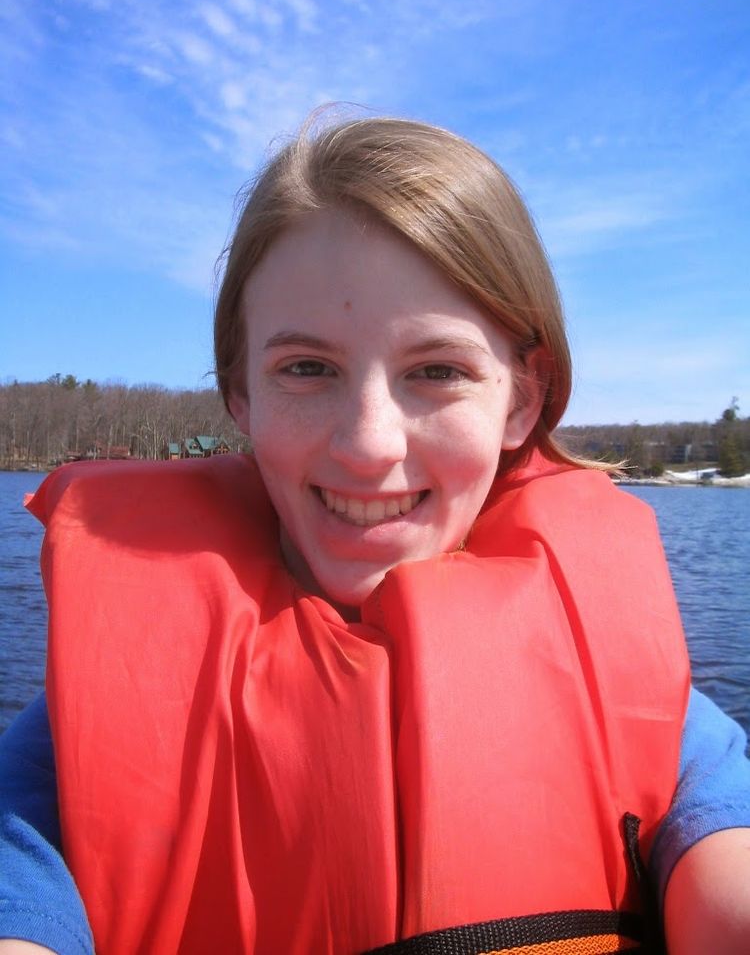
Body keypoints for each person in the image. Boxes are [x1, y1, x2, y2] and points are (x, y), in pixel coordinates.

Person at [1, 114, 750, 955]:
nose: (369, 445)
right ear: (240, 396)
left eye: (436, 370)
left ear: (524, 400)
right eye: (307, 369)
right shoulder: (62, 756)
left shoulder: (650, 708)